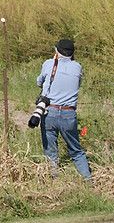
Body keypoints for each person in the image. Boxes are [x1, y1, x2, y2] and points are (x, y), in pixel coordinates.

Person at [36, 38, 91, 179]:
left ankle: (54, 179)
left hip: (50, 111)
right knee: (76, 150)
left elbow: (39, 82)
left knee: (50, 150)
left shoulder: (49, 64)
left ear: (56, 51)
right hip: (69, 113)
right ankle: (87, 180)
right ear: (72, 54)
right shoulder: (77, 67)